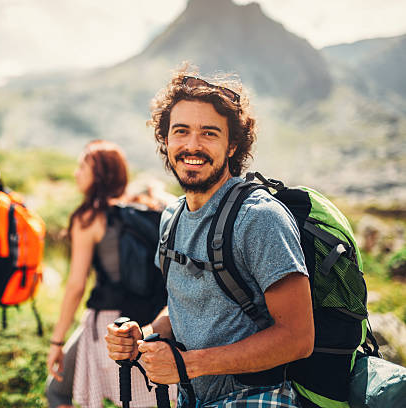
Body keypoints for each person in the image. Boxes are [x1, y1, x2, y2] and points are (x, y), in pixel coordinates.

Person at [105, 68, 315, 407]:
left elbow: (298, 337)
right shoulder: (172, 218)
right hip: (193, 396)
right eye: (181, 131)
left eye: (209, 133)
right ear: (166, 140)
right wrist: (141, 336)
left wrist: (187, 365)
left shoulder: (259, 218)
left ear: (232, 145)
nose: (192, 145)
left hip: (258, 397)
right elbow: (188, 306)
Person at [46, 140, 174, 408]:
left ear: (99, 174)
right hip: (148, 319)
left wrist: (57, 340)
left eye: (83, 166)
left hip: (109, 323)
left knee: (58, 391)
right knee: (141, 399)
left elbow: (76, 286)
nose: (75, 172)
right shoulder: (140, 210)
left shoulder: (90, 218)